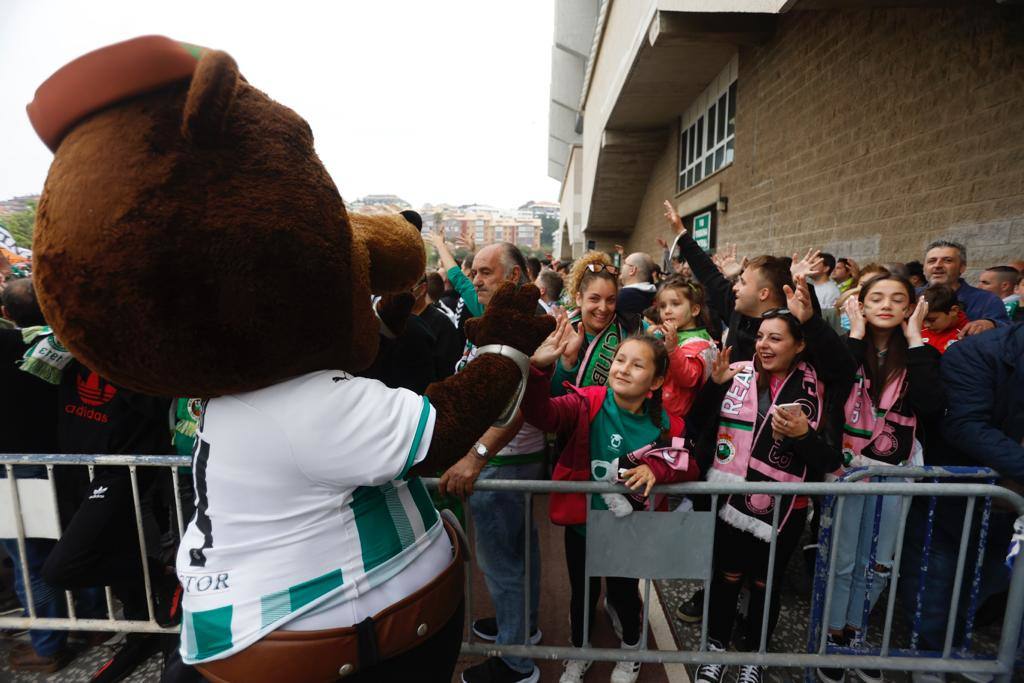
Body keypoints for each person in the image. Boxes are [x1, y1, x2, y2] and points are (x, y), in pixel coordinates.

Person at [694, 277, 850, 683]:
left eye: (776, 338)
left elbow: (829, 459)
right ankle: (715, 649)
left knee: (765, 583)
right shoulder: (737, 372)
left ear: (799, 346)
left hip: (786, 507)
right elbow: (698, 425)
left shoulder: (816, 387)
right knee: (726, 577)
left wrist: (802, 436)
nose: (763, 345)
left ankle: (754, 656)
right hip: (731, 499)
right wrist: (713, 386)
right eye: (761, 336)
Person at [524, 327, 697, 683]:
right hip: (584, 524)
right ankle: (579, 652)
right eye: (620, 360)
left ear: (657, 381)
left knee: (624, 594)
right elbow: (543, 416)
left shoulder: (666, 423)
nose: (622, 369)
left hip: (631, 530)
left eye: (637, 365)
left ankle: (631, 652)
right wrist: (539, 371)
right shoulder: (587, 401)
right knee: (582, 595)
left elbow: (691, 463)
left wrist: (656, 466)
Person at [817, 275, 942, 683]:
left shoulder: (921, 354)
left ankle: (855, 634)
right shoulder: (845, 347)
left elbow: (931, 406)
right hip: (847, 469)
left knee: (881, 563)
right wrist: (853, 333)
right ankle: (832, 638)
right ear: (861, 305)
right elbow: (831, 390)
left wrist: (916, 337)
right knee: (845, 560)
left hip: (896, 471)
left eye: (898, 299)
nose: (886, 305)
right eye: (876, 298)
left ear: (910, 307)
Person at [442, 242, 548, 683]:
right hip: (515, 460)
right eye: (474, 272)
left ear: (516, 277)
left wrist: (476, 457)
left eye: (486, 273)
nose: (477, 281)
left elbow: (516, 403)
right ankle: (522, 628)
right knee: (521, 554)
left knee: (503, 564)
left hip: (502, 463)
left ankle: (517, 662)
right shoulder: (516, 314)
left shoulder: (518, 325)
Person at [898, 324, 1024, 682]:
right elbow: (965, 424)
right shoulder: (977, 353)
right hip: (958, 494)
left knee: (989, 576)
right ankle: (927, 657)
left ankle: (954, 646)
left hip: (1008, 504)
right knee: (937, 577)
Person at [0, 279, 106, 673]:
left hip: (16, 473)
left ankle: (48, 643)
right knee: (74, 542)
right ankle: (96, 622)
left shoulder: (9, 346)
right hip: (67, 462)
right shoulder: (66, 347)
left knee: (31, 557)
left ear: (7, 313)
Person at [552, 252, 639, 396]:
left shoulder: (633, 326)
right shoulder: (560, 331)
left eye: (610, 300)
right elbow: (553, 398)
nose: (603, 308)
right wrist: (568, 361)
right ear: (579, 298)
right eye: (594, 299)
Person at [649, 277, 719, 421]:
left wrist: (673, 349)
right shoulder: (670, 333)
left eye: (675, 304)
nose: (667, 311)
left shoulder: (699, 343)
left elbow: (688, 379)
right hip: (659, 409)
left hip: (676, 418)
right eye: (662, 306)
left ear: (694, 310)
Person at [922, 240, 1008, 334]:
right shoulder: (912, 296)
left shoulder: (987, 300)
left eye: (947, 260)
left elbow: (1008, 329)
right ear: (924, 268)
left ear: (962, 267)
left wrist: (991, 323)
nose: (938, 265)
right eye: (932, 261)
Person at [919, 285, 968, 354]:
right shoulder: (916, 329)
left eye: (932, 320)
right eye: (921, 319)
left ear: (953, 311)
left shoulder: (967, 334)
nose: (926, 325)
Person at [616, 251, 657, 319]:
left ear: (632, 270)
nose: (621, 267)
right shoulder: (657, 294)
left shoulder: (620, 297)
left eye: (624, 263)